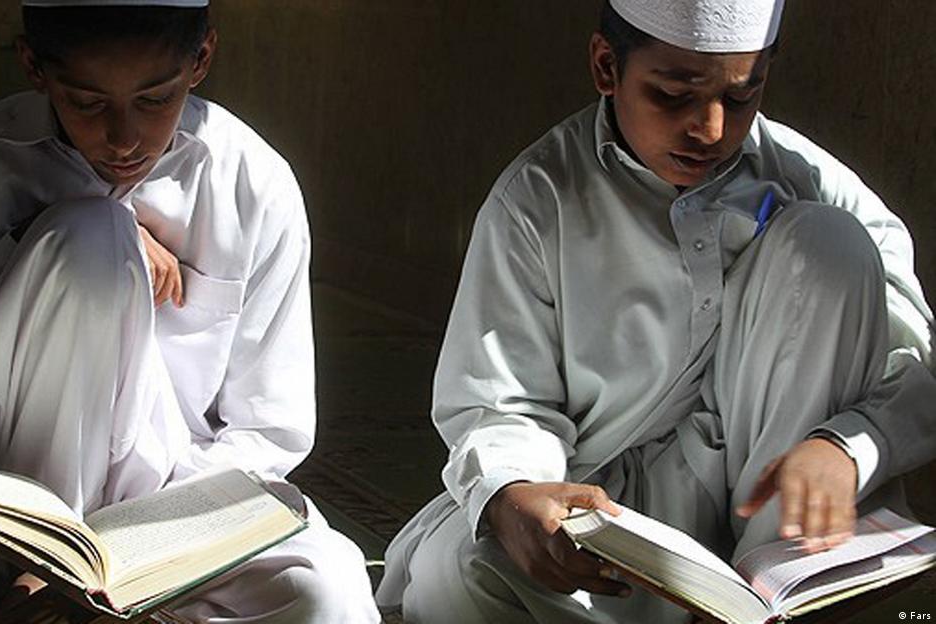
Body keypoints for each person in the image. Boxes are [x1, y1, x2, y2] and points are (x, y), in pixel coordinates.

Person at [375, 0, 936, 622]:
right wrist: (515, 493)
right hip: (606, 511)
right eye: (673, 95)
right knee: (462, 573)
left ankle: (774, 584)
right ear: (606, 66)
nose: (711, 129)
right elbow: (500, 400)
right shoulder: (537, 201)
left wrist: (850, 446)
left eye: (742, 97)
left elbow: (916, 359)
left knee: (830, 243)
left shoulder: (807, 177)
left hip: (768, 514)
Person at [0, 1, 380, 622]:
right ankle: (49, 572)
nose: (124, 139)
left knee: (331, 596)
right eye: (88, 103)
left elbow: (269, 430)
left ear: (201, 59)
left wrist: (147, 552)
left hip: (178, 512)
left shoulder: (252, 183)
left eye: (154, 100)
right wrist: (37, 237)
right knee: (89, 240)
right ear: (34, 67)